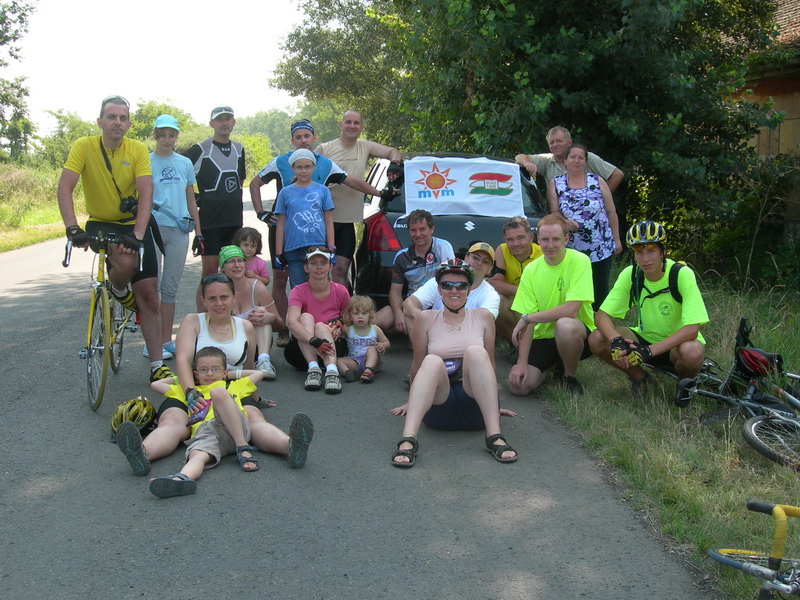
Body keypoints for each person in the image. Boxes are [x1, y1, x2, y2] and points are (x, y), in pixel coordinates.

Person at [114, 273, 309, 476]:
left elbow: (248, 365)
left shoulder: (245, 327)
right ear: (203, 300)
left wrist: (255, 397)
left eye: (224, 297)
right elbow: (182, 360)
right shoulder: (193, 321)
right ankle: (142, 453)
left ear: (234, 297)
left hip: (229, 388)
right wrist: (190, 391)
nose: (219, 303)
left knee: (254, 420)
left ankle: (291, 446)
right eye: (212, 298)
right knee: (172, 422)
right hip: (192, 386)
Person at [57, 95, 171, 383]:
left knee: (149, 296)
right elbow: (65, 187)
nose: (117, 122)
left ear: (129, 124)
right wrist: (72, 228)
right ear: (100, 121)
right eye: (111, 117)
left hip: (133, 223)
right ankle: (119, 289)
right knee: (124, 263)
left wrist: (138, 234)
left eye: (122, 118)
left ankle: (157, 364)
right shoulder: (83, 146)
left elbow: (146, 193)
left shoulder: (137, 149)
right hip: (101, 222)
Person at [250, 119, 382, 348]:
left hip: (313, 238)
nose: (303, 140)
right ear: (292, 140)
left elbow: (352, 181)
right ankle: (285, 329)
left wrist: (381, 193)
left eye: (306, 136)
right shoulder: (281, 161)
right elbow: (254, 183)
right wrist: (261, 212)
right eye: (298, 137)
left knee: (316, 280)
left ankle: (321, 328)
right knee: (281, 279)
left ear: (314, 138)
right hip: (284, 232)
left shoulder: (325, 163)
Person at [389, 260, 518, 468]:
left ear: (469, 289)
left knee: (476, 352)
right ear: (439, 289)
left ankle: (495, 436)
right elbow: (417, 365)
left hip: (474, 408)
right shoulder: (426, 318)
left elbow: (490, 365)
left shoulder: (483, 317)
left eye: (461, 285)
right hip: (440, 407)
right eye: (447, 285)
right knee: (431, 360)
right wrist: (412, 401)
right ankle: (408, 440)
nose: (454, 291)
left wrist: (492, 403)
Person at [588, 221, 709, 393]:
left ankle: (683, 387)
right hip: (645, 339)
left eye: (651, 251)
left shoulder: (681, 274)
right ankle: (641, 378)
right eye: (639, 252)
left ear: (662, 252)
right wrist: (616, 341)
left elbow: (692, 329)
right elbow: (601, 316)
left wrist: (649, 351)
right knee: (597, 338)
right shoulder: (632, 274)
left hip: (676, 345)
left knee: (693, 351)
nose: (645, 259)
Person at [147, 347, 266, 497]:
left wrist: (228, 375)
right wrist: (186, 380)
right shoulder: (189, 393)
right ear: (195, 373)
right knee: (197, 455)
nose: (209, 374)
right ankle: (180, 479)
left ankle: (242, 448)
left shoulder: (233, 386)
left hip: (235, 429)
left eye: (215, 369)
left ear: (224, 372)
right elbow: (156, 385)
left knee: (219, 393)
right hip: (207, 433)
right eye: (203, 370)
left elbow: (259, 373)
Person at [508, 214, 595, 396]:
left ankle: (568, 377)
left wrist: (528, 318)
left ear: (566, 239)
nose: (550, 245)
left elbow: (571, 310)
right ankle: (554, 363)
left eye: (556, 239)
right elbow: (527, 320)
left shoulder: (580, 260)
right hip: (543, 337)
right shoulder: (531, 270)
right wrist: (521, 362)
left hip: (576, 333)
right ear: (538, 240)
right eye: (545, 239)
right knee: (518, 386)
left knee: (565, 325)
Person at [315, 109, 402, 286]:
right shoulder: (324, 149)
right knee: (319, 271)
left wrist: (395, 164)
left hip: (348, 222)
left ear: (362, 127)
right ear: (341, 125)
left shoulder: (365, 146)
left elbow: (394, 151)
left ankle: (342, 304)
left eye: (356, 123)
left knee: (341, 270)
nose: (352, 126)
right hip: (323, 220)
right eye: (348, 122)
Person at [145, 114, 201, 360]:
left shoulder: (185, 163)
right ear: (155, 136)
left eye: (171, 135)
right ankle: (151, 342)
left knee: (170, 288)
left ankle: (166, 340)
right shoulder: (145, 161)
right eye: (162, 135)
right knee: (151, 288)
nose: (167, 139)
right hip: (153, 228)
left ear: (176, 136)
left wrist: (199, 232)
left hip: (179, 230)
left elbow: (191, 199)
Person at [184, 106, 245, 311]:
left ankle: (231, 320)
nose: (224, 123)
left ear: (233, 122)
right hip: (210, 222)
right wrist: (195, 198)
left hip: (234, 221)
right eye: (220, 119)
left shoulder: (239, 148)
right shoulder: (201, 149)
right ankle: (203, 322)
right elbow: (179, 172)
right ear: (212, 124)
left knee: (234, 273)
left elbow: (240, 180)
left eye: (228, 119)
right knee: (209, 275)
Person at [547, 144, 622, 310]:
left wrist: (616, 239)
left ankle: (598, 323)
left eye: (580, 158)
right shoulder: (556, 183)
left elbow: (611, 212)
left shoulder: (598, 181)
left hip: (600, 247)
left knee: (599, 291)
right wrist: (564, 222)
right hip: (571, 248)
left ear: (586, 161)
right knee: (573, 289)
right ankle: (574, 321)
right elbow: (554, 212)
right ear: (565, 161)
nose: (576, 161)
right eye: (572, 157)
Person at [375, 209, 455, 335]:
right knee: (382, 318)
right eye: (413, 230)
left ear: (431, 229)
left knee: (421, 337)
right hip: (413, 304)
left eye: (422, 229)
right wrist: (398, 314)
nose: (418, 234)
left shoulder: (443, 247)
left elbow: (450, 280)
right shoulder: (402, 257)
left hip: (438, 304)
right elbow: (395, 291)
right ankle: (353, 337)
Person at [285, 247, 351, 394]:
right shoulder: (298, 291)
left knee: (321, 326)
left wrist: (340, 323)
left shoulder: (341, 291)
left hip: (333, 347)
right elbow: (291, 322)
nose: (319, 267)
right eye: (314, 263)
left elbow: (349, 319)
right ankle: (313, 368)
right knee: (305, 317)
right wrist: (314, 341)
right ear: (306, 268)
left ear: (331, 267)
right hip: (302, 350)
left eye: (323, 263)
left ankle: (332, 372)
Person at [403, 241, 500, 336]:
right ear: (466, 258)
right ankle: (422, 347)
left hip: (468, 337)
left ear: (490, 269)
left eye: (485, 261)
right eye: (475, 257)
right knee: (410, 315)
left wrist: (450, 327)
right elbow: (409, 303)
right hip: (436, 333)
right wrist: (422, 317)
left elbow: (486, 321)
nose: (479, 263)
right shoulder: (439, 281)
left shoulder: (490, 294)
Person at [218, 245, 283, 380]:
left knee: (261, 312)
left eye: (240, 260)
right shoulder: (217, 289)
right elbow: (211, 323)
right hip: (226, 342)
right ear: (222, 268)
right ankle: (230, 365)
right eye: (231, 261)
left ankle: (264, 361)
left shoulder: (257, 286)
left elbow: (280, 325)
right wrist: (244, 322)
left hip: (255, 345)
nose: (237, 265)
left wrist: (270, 317)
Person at [274, 149, 335, 287]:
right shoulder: (285, 192)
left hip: (317, 247)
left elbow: (328, 220)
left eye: (307, 167)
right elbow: (281, 224)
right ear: (292, 168)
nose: (303, 171)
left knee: (319, 287)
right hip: (293, 249)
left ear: (314, 167)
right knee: (298, 288)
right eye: (299, 167)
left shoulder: (322, 190)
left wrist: (331, 247)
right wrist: (279, 253)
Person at [515, 126, 625, 192]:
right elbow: (519, 157)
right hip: (558, 218)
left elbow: (617, 174)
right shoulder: (547, 160)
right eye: (551, 142)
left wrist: (602, 198)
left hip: (587, 215)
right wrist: (527, 163)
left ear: (569, 142)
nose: (555, 145)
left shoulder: (585, 157)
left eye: (559, 141)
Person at [488, 217, 543, 344]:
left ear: (531, 237)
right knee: (496, 300)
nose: (516, 243)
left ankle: (533, 345)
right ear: (505, 240)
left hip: (536, 303)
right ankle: (515, 345)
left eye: (520, 238)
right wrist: (522, 291)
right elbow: (494, 282)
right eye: (510, 239)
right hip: (514, 301)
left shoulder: (542, 254)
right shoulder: (502, 250)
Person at [336, 295, 390, 383]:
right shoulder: (348, 329)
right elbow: (337, 330)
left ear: (370, 315)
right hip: (355, 361)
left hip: (373, 361)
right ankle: (349, 373)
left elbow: (386, 342)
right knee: (338, 361)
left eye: (364, 313)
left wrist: (383, 345)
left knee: (372, 349)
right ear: (350, 316)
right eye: (356, 313)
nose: (360, 316)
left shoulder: (375, 329)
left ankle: (368, 371)